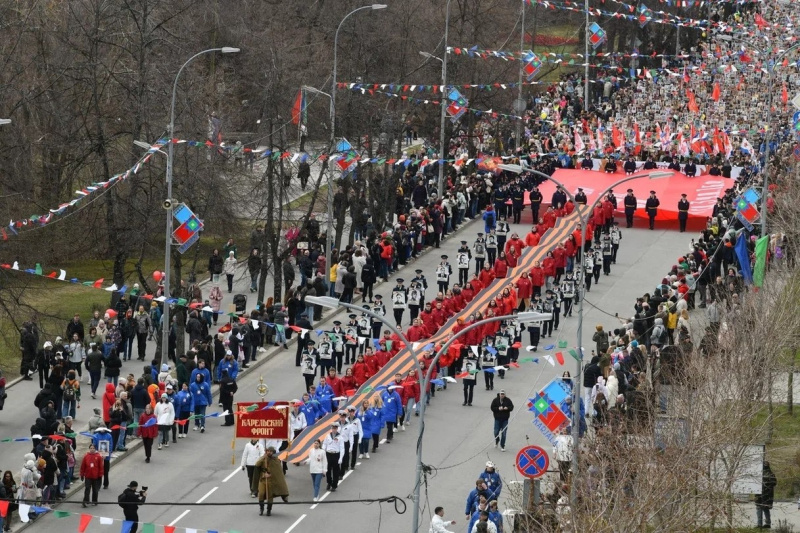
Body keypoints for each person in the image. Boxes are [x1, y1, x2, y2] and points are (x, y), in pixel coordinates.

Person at [252, 446, 289, 516]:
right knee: (261, 494)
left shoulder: (276, 460)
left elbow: (277, 472)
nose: (269, 452)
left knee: (270, 496)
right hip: (262, 479)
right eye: (268, 451)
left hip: (270, 480)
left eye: (270, 451)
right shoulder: (263, 459)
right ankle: (261, 508)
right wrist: (264, 458)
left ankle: (269, 510)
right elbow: (257, 464)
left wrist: (270, 474)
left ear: (273, 452)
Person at [322, 422, 345, 492]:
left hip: (336, 454)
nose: (333, 430)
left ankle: (334, 485)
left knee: (335, 471)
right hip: (328, 454)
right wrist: (323, 451)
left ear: (337, 429)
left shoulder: (340, 437)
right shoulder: (328, 436)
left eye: (335, 428)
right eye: (332, 428)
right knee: (328, 470)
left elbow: (342, 448)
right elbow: (324, 444)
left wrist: (341, 458)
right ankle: (329, 482)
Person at [756, 461, 777, 529]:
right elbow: (774, 483)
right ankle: (767, 523)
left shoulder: (760, 474)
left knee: (760, 508)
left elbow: (774, 483)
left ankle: (760, 524)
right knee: (765, 509)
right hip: (767, 495)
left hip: (762, 494)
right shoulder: (771, 474)